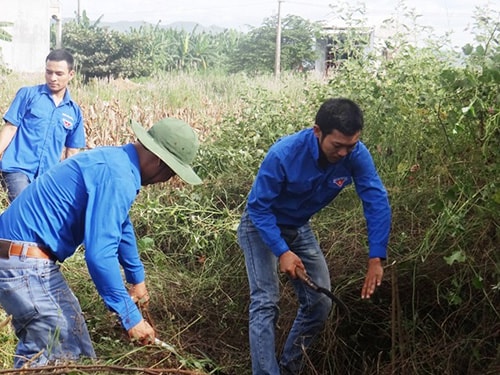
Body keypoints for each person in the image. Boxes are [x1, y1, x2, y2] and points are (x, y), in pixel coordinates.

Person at [0, 117, 202, 368]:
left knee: (74, 348)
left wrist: (136, 279)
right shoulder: (119, 177)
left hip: (18, 258)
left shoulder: (117, 161)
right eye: (171, 173)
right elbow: (99, 255)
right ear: (160, 162)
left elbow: (120, 225)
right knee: (59, 351)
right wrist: (130, 316)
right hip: (22, 263)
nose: (167, 180)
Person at [237, 98, 391, 375]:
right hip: (261, 226)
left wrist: (376, 256)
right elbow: (258, 209)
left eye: (351, 145)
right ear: (318, 131)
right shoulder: (284, 154)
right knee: (266, 301)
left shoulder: (356, 154)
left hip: (297, 226)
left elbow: (375, 199)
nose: (344, 153)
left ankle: (289, 368)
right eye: (338, 146)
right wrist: (282, 251)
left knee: (320, 302)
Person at [0, 48, 86, 203]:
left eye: (59, 74)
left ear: (71, 75)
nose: (52, 78)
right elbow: (10, 127)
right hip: (17, 169)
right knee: (25, 207)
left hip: (47, 178)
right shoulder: (28, 95)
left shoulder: (74, 112)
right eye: (49, 72)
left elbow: (72, 152)